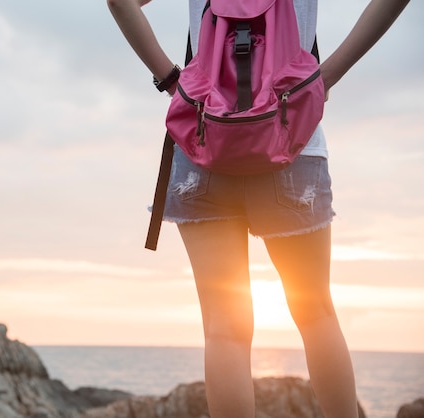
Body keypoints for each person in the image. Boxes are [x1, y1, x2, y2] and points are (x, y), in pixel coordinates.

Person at [106, 0, 410, 417]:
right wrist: (324, 78)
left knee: (224, 330)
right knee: (316, 314)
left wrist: (174, 82)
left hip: (203, 136)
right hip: (292, 136)